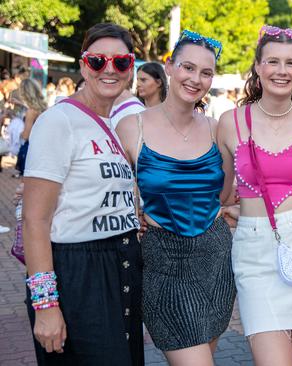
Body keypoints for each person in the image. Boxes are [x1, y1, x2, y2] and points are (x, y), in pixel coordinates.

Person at [21, 23, 143, 365]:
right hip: (79, 273)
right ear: (82, 65)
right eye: (97, 61)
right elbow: (35, 220)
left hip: (120, 269)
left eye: (120, 62)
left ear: (130, 68)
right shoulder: (58, 121)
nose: (109, 69)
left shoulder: (111, 127)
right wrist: (45, 305)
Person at [116, 30, 236, 366]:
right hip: (164, 263)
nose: (196, 79)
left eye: (206, 72)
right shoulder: (130, 127)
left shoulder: (217, 128)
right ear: (170, 66)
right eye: (188, 67)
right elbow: (110, 190)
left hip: (215, 258)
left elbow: (225, 193)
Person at [217, 25, 292, 366]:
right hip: (253, 253)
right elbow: (222, 192)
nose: (282, 70)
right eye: (273, 61)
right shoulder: (229, 122)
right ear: (258, 66)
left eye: (291, 63)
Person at [16, 79, 47, 177]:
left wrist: (18, 133)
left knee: (26, 186)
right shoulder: (43, 108)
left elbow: (26, 135)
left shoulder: (31, 111)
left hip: (31, 150)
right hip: (42, 150)